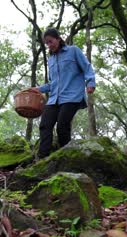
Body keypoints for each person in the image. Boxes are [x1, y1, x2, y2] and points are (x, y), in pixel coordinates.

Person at [31, 28, 96, 159]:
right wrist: (39, 89)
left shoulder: (73, 51)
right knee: (45, 125)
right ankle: (42, 158)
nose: (49, 45)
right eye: (47, 43)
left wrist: (90, 83)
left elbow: (87, 67)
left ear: (58, 39)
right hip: (54, 98)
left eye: (51, 41)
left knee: (62, 126)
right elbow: (53, 83)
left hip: (72, 96)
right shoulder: (51, 60)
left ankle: (67, 158)